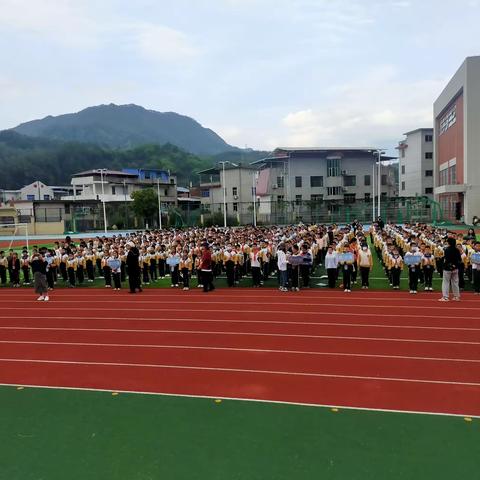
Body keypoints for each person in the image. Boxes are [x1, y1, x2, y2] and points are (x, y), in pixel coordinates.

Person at [439, 237, 462, 302]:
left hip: (447, 268)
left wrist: (449, 265)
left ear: (448, 242)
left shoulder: (447, 249)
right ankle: (456, 296)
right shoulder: (457, 250)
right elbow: (460, 260)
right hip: (455, 268)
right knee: (455, 282)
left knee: (446, 282)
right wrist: (455, 265)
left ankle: (445, 297)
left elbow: (447, 260)